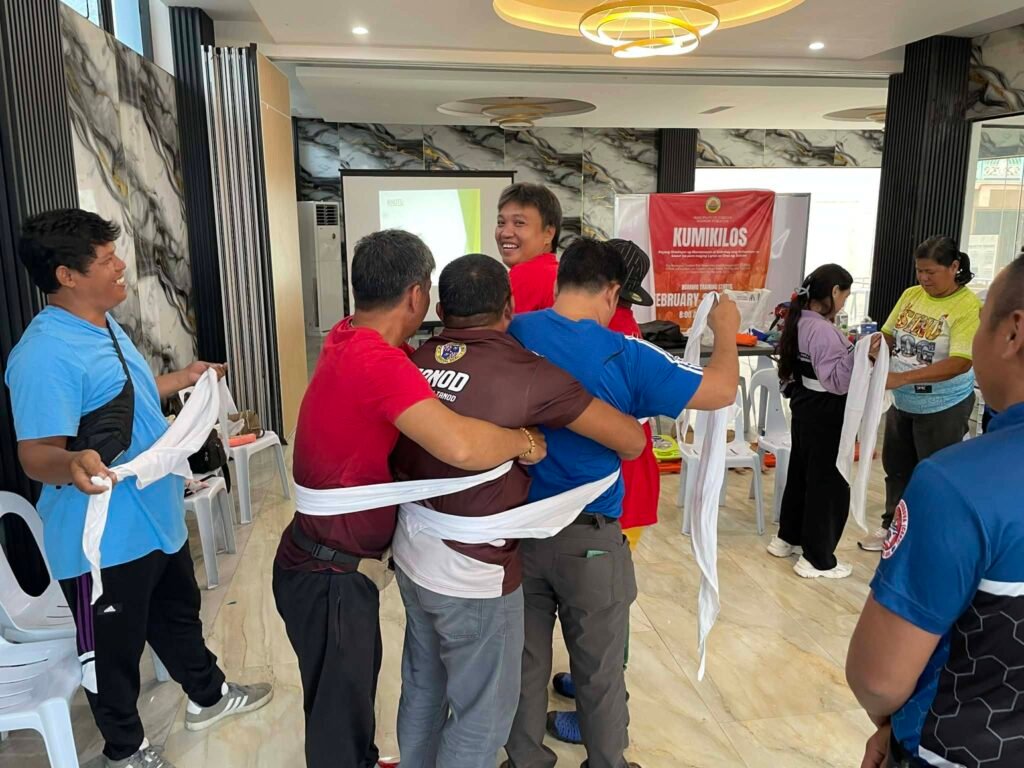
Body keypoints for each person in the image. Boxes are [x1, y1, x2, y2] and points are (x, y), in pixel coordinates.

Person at [5, 209, 272, 768]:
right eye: (106, 260)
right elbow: (35, 454)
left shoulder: (103, 325)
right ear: (67, 275)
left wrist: (184, 379)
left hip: (153, 516)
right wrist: (72, 460)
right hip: (100, 539)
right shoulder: (44, 354)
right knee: (111, 653)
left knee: (177, 614)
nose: (121, 266)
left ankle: (208, 697)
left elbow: (125, 391)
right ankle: (125, 751)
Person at [272, 230, 548, 768]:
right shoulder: (379, 361)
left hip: (323, 564)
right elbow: (461, 446)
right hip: (327, 577)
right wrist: (524, 441)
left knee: (353, 703)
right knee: (338, 723)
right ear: (418, 295)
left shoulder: (347, 335)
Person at [389, 253, 646, 768]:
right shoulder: (526, 373)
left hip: (411, 551)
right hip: (472, 568)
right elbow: (632, 441)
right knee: (483, 713)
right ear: (509, 308)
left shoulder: (410, 361)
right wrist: (526, 439)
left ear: (440, 309)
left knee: (423, 683)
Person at [502, 238, 741, 768]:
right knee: (600, 669)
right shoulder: (627, 353)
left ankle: (523, 760)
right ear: (613, 291)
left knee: (523, 662)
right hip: (590, 540)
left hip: (518, 535)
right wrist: (725, 330)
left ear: (560, 280)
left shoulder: (514, 334)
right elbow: (722, 389)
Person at [846, 254, 1024, 768]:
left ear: (1013, 333)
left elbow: (879, 679)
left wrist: (893, 722)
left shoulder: (959, 485)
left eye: (985, 320)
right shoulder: (910, 298)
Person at [546, 238, 662, 744]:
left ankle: (602, 705)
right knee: (596, 607)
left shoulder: (615, 332)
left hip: (618, 489)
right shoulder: (612, 325)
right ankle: (588, 681)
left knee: (608, 611)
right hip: (614, 484)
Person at [859, 236, 981, 551]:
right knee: (897, 469)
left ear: (954, 267)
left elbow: (961, 362)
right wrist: (876, 347)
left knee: (935, 475)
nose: (924, 278)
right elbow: (888, 334)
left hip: (943, 406)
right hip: (903, 401)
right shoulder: (911, 295)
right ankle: (892, 527)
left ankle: (932, 537)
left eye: (931, 272)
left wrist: (902, 378)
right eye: (919, 271)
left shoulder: (967, 306)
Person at [767, 264, 880, 579]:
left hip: (804, 403)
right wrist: (864, 355)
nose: (843, 303)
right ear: (834, 292)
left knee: (802, 473)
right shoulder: (824, 331)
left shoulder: (798, 320)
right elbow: (838, 381)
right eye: (844, 296)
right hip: (826, 408)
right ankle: (817, 558)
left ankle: (787, 538)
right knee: (828, 481)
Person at [496, 182, 562, 313]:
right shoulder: (561, 274)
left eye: (519, 223)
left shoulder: (524, 276)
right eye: (501, 223)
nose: (506, 233)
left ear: (548, 233)